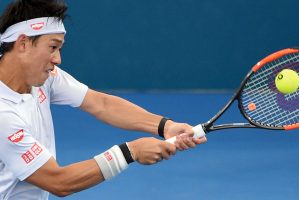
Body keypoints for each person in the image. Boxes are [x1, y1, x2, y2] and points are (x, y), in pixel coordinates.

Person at [0, 0, 207, 199]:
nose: (58, 59)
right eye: (52, 47)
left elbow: (100, 104)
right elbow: (59, 181)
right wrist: (130, 152)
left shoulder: (44, 78)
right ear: (23, 43)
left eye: (59, 49)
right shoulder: (3, 115)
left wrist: (165, 126)